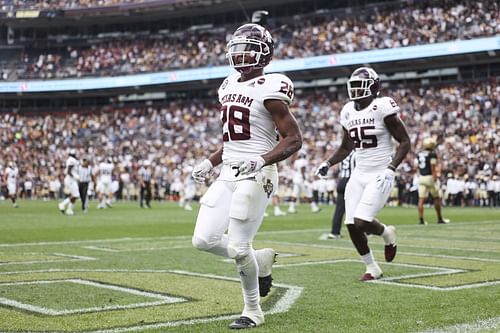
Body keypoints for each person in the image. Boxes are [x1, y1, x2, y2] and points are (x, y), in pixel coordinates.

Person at [191, 23, 302, 329]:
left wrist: (261, 160)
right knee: (202, 239)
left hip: (258, 173)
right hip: (228, 171)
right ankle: (260, 258)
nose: (240, 55)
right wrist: (211, 161)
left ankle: (252, 310)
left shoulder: (273, 86)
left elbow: (293, 139)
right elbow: (233, 139)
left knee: (239, 248)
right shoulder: (226, 85)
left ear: (265, 55)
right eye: (237, 49)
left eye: (248, 50)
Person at [315, 67, 410, 281]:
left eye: (361, 86)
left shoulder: (382, 106)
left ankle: (387, 233)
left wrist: (391, 168)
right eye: (354, 86)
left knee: (361, 221)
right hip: (359, 173)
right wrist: (328, 163)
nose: (356, 91)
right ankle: (372, 267)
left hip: (380, 172)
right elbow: (346, 146)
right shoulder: (348, 110)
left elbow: (405, 142)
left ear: (374, 87)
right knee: (350, 224)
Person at [416, 137, 450, 224]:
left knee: (421, 199)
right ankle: (439, 218)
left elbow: (417, 167)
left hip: (421, 177)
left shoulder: (419, 154)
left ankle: (421, 220)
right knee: (437, 198)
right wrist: (435, 177)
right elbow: (433, 167)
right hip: (429, 177)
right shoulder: (432, 154)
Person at [328, 151, 355, 239]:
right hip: (352, 181)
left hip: (342, 181)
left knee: (339, 210)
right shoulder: (356, 153)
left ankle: (334, 232)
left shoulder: (343, 154)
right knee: (360, 206)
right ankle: (366, 230)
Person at [58, 149, 80, 215]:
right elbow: (69, 171)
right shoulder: (72, 160)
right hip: (70, 180)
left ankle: (69, 210)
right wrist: (75, 176)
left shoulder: (71, 160)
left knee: (75, 195)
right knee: (76, 195)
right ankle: (62, 204)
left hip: (71, 180)